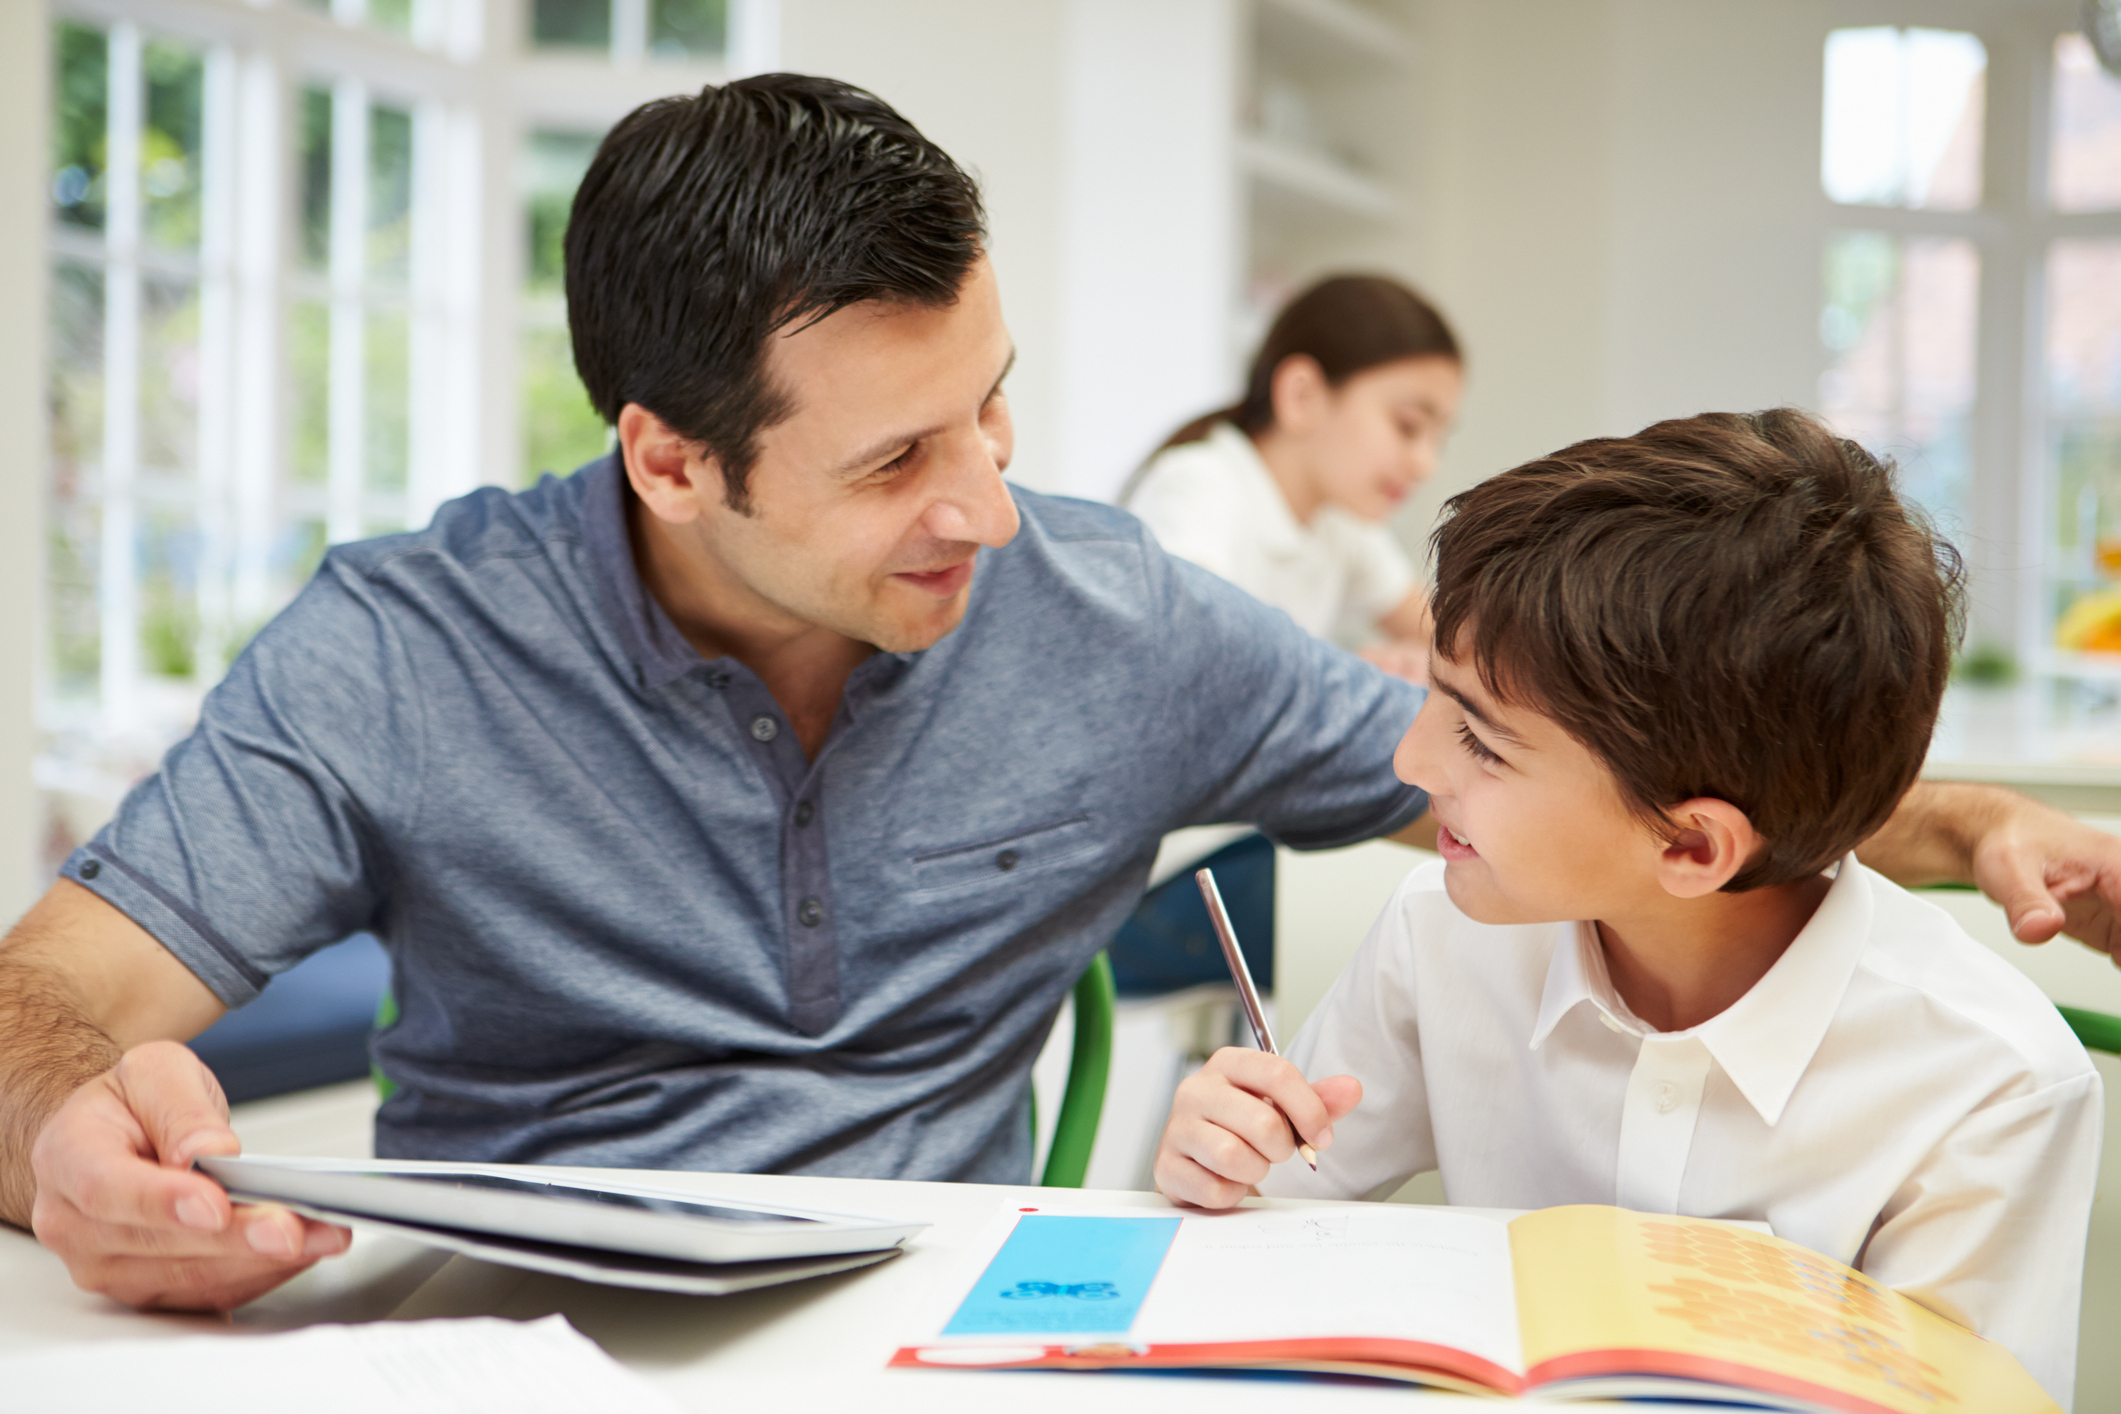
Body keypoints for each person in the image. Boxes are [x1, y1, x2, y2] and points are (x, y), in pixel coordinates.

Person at [0, 77, 2114, 1319]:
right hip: (511, 1336)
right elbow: (50, 993)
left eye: (992, 407)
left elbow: (1613, 776)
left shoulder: (1119, 613)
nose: (991, 507)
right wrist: (66, 1139)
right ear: (668, 454)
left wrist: (1964, 825)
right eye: (895, 460)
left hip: (943, 1326)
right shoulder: (396, 647)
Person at [1151, 411, 2102, 1404]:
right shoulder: (1438, 929)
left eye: (1482, 741)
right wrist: (1223, 1160)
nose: (1408, 761)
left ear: (1691, 846)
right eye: (1434, 696)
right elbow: (1257, 1234)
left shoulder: (1994, 1086)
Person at [1123, 274, 1463, 684]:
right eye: (1408, 426)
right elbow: (1200, 662)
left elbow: (1454, 643)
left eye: (1438, 440)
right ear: (1301, 396)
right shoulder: (1197, 488)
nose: (1426, 464)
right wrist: (1358, 678)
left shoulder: (1342, 521)